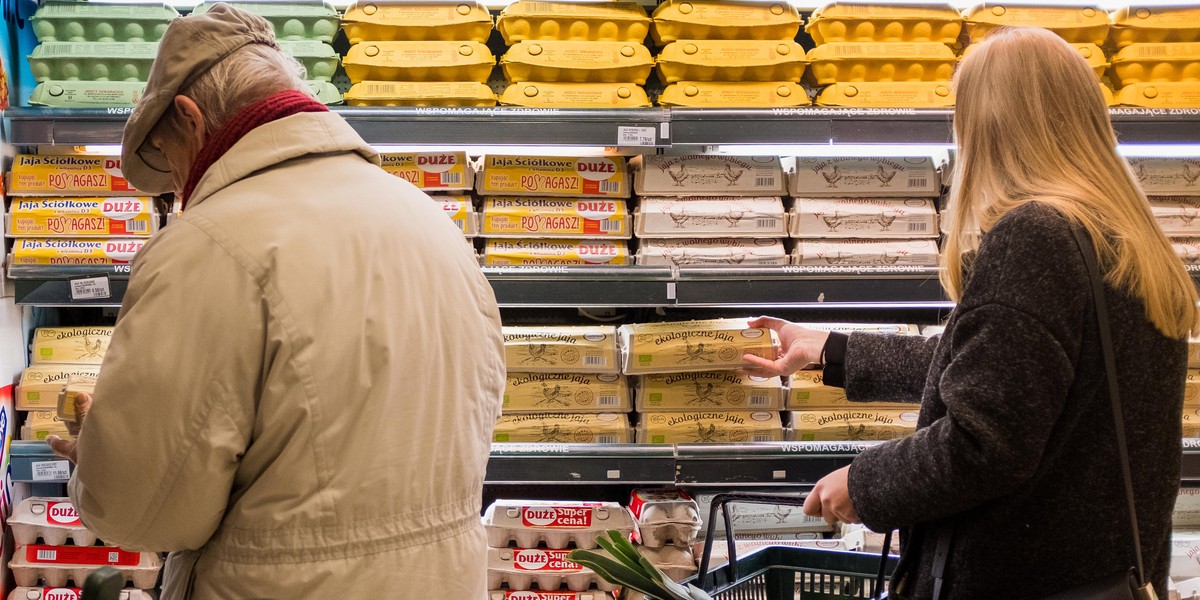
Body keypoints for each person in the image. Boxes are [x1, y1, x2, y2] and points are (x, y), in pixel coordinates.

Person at [45, 5, 506, 599]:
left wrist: (99, 462)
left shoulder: (205, 246)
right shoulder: (429, 219)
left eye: (169, 160)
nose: (181, 187)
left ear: (188, 118)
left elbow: (145, 513)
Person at [745, 27, 1198, 599]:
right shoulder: (1122, 236)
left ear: (990, 124)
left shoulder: (1036, 235)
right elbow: (1014, 373)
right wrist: (832, 350)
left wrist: (866, 483)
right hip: (1102, 572)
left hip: (1018, 575)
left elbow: (987, 442)